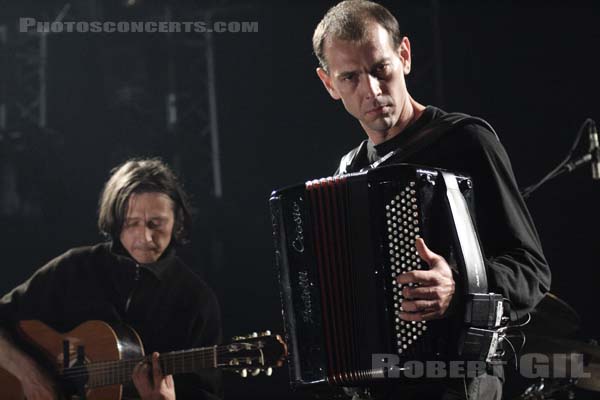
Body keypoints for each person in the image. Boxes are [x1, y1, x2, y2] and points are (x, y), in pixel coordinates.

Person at [312, 1, 551, 399]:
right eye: (350, 77)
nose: (371, 91)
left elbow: (532, 271)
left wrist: (459, 286)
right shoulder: (348, 172)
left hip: (459, 381)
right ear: (329, 85)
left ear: (404, 55)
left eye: (380, 69)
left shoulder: (464, 142)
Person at [0, 158, 222, 400]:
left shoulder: (196, 301)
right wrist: (30, 375)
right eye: (132, 223)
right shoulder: (75, 267)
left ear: (177, 222)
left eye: (155, 224)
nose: (145, 237)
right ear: (116, 222)